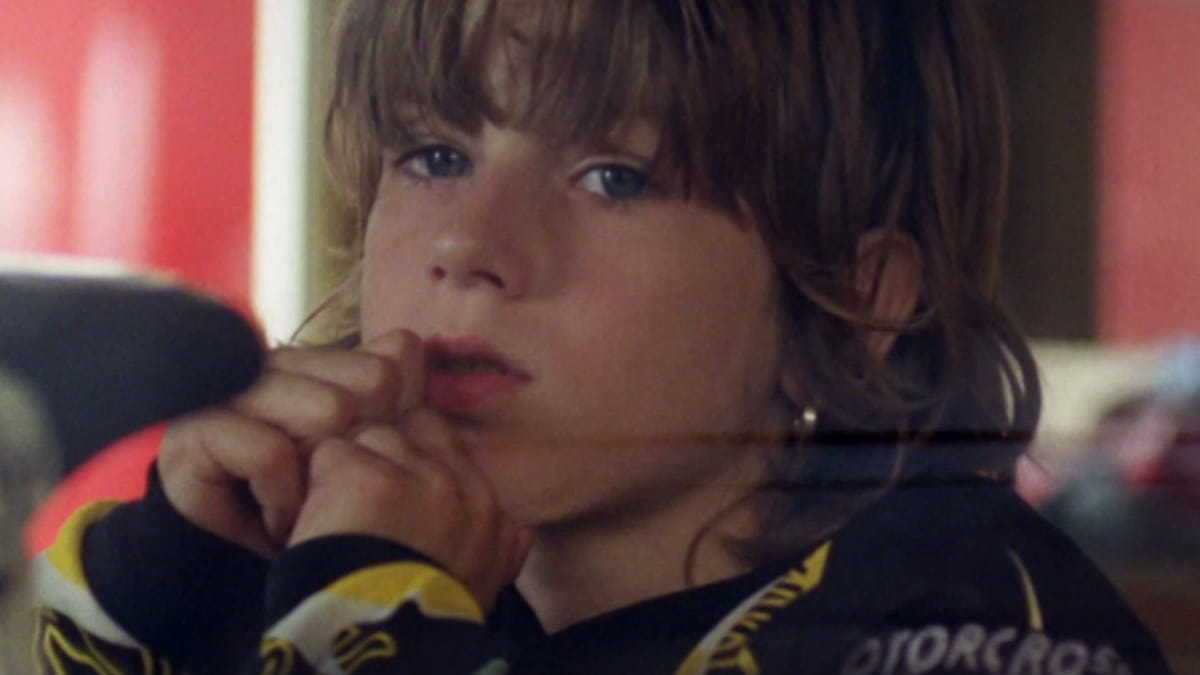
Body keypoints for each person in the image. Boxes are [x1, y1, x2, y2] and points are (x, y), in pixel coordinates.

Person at [33, 1, 1171, 673]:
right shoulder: (339, 568)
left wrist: (367, 623)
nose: (469, 243)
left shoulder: (966, 619)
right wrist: (164, 590)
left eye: (615, 177)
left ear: (852, 296)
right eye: (434, 155)